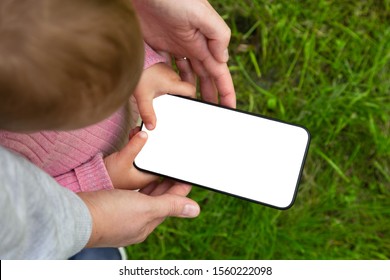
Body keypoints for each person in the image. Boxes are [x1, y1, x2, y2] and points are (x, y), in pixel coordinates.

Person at [0, 0, 235, 259]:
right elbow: (33, 206)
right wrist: (102, 183)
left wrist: (144, 65)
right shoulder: (15, 150)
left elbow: (96, 28)